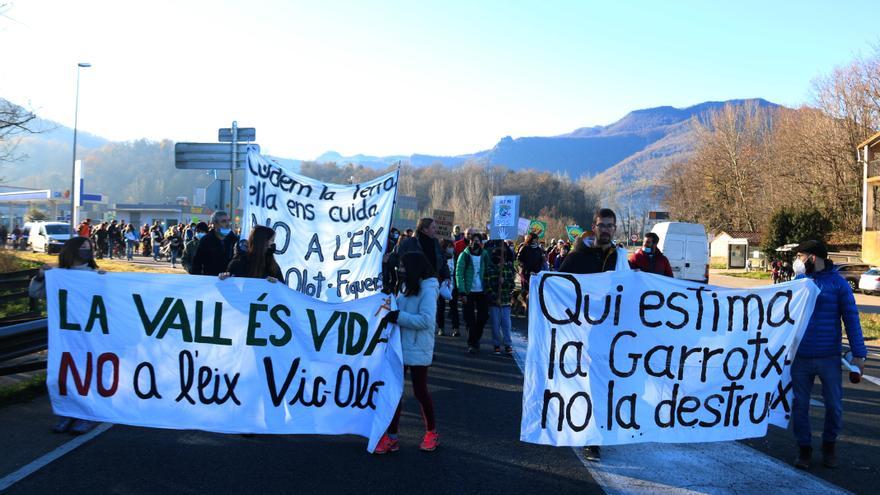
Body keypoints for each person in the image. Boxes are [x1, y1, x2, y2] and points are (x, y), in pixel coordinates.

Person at [790, 239, 867, 470]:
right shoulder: (798, 282)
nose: (798, 262)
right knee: (799, 406)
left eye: (801, 257)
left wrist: (859, 355)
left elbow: (851, 319)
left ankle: (829, 445)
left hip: (829, 358)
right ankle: (804, 449)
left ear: (813, 258)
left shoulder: (838, 285)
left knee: (834, 406)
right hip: (800, 358)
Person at [558, 207, 621, 462]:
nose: (605, 229)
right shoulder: (576, 257)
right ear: (593, 227)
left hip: (610, 334)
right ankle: (588, 438)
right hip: (582, 333)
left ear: (615, 229)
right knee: (585, 385)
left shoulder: (620, 258)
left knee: (604, 386)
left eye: (610, 225)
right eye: (601, 225)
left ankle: (599, 434)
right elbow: (558, 285)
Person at [28, 236, 104, 435]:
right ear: (72, 250)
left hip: (89, 335)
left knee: (86, 373)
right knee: (65, 374)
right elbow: (35, 293)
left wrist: (108, 281)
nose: (87, 250)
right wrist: (42, 276)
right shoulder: (59, 275)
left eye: (90, 247)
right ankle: (67, 412)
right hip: (65, 336)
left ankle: (86, 414)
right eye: (83, 247)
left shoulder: (94, 274)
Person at [374, 252, 440, 454]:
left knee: (420, 391)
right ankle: (392, 437)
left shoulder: (428, 289)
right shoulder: (406, 285)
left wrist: (398, 316)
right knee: (395, 392)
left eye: (403, 266)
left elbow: (426, 321)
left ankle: (431, 432)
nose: (400, 270)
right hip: (400, 346)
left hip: (418, 346)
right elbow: (399, 309)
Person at [456, 232, 491, 354]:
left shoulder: (485, 255)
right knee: (469, 319)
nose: (475, 243)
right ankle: (472, 343)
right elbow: (459, 273)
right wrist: (462, 291)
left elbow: (489, 270)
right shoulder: (464, 255)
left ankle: (475, 338)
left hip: (482, 290)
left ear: (481, 243)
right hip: (468, 291)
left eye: (477, 241)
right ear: (469, 242)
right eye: (473, 241)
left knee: (483, 317)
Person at [219, 225, 283, 282]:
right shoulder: (238, 262)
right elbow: (229, 287)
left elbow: (283, 288)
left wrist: (276, 283)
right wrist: (224, 277)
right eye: (272, 240)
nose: (272, 244)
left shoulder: (271, 263)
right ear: (262, 242)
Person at [484, 240, 515, 355]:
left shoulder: (507, 270)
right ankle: (496, 344)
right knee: (495, 325)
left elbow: (511, 285)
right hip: (494, 303)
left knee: (507, 324)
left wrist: (504, 282)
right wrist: (494, 297)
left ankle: (508, 345)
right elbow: (487, 286)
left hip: (506, 302)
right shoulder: (490, 270)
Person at [190, 211, 239, 276]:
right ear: (215, 224)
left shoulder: (235, 240)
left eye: (228, 221)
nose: (228, 224)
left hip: (230, 281)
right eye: (223, 221)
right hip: (210, 281)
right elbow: (196, 264)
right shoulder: (206, 241)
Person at [516, 233, 544, 310]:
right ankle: (521, 307)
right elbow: (519, 260)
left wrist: (537, 270)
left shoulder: (538, 249)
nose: (536, 240)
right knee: (525, 291)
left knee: (534, 291)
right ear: (530, 239)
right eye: (535, 239)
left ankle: (531, 308)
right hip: (526, 273)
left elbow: (540, 261)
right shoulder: (525, 247)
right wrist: (527, 269)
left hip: (535, 274)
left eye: (537, 239)